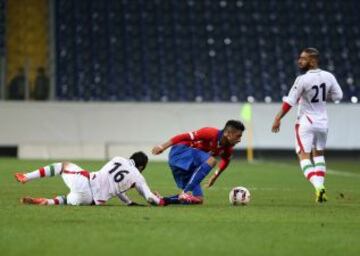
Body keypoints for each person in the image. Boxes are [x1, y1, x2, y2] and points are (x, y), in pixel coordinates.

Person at [271, 48, 343, 203]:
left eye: (303, 58)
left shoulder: (302, 79)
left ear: (312, 60)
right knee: (319, 154)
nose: (299, 61)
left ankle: (318, 187)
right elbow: (338, 96)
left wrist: (278, 118)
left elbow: (290, 102)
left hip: (306, 122)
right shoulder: (328, 76)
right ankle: (320, 188)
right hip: (323, 122)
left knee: (303, 156)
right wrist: (323, 98)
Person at [15, 151, 166, 206]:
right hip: (91, 201)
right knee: (68, 200)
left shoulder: (118, 159)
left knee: (63, 166)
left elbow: (109, 178)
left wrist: (128, 202)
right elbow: (150, 198)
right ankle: (48, 202)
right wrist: (159, 200)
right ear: (141, 167)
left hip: (86, 181)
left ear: (131, 157)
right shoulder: (138, 177)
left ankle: (27, 176)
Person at [152, 120, 245, 205]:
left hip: (187, 166)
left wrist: (214, 177)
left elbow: (226, 161)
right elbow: (183, 136)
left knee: (198, 199)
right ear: (227, 133)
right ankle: (185, 192)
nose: (239, 139)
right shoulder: (210, 132)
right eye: (238, 136)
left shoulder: (227, 149)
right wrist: (162, 146)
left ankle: (161, 200)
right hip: (180, 152)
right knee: (211, 161)